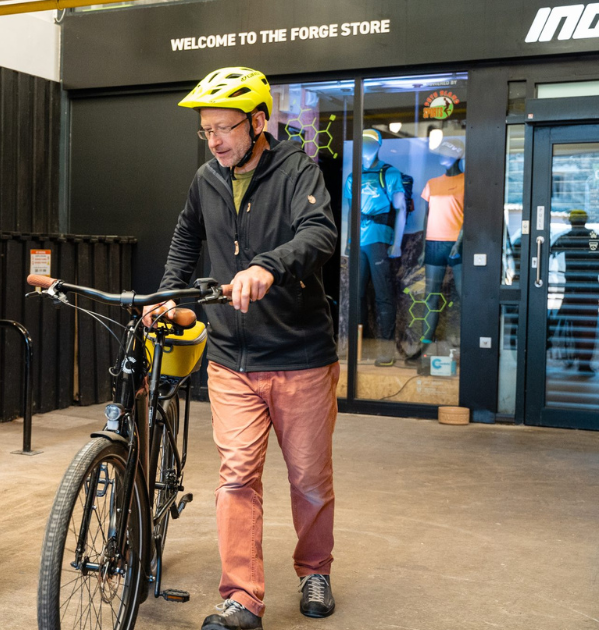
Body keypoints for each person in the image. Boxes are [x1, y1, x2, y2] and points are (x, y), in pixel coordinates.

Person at [144, 67, 340, 629]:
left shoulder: (299, 169)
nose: (215, 141)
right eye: (206, 131)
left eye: (225, 128)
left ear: (259, 122)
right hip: (231, 356)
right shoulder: (206, 178)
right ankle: (242, 598)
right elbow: (187, 237)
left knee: (307, 478)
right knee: (235, 477)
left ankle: (314, 569)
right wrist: (167, 294)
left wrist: (267, 266)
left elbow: (319, 234)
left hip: (298, 353)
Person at [343, 129, 408, 366]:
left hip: (379, 239)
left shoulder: (389, 173)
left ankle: (386, 351)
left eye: (370, 143)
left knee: (383, 296)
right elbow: (352, 210)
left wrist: (397, 243)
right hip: (359, 242)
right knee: (357, 296)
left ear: (379, 145)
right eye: (362, 142)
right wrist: (349, 242)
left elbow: (401, 209)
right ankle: (358, 349)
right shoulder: (353, 177)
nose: (366, 147)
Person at [408, 138, 465, 374]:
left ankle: (465, 346)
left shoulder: (466, 182)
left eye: (445, 152)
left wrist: (459, 243)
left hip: (456, 244)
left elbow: (468, 216)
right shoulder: (432, 183)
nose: (441, 156)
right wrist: (422, 249)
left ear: (457, 155)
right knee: (431, 297)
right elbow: (427, 216)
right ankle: (424, 347)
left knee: (463, 297)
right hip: (433, 244)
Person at [555, 209, 599, 375]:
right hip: (590, 288)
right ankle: (584, 363)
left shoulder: (566, 237)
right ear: (585, 220)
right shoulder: (593, 236)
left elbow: (551, 250)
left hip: (572, 288)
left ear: (571, 222)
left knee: (574, 323)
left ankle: (577, 357)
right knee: (588, 326)